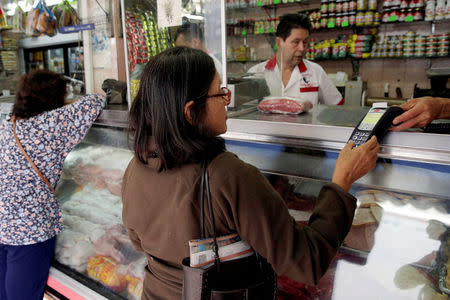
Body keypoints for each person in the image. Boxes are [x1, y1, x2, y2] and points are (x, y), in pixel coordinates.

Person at [121, 46, 379, 299]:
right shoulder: (227, 176)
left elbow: (139, 242)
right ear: (191, 112)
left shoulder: (136, 167)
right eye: (219, 93)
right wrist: (342, 181)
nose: (226, 100)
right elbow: (307, 261)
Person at [0, 70, 105, 299]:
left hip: (4, 224)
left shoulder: (9, 123)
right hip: (29, 230)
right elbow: (95, 101)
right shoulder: (51, 124)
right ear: (53, 98)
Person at [248, 14, 344, 107]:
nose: (302, 48)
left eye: (305, 42)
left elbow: (337, 107)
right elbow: (245, 114)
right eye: (296, 42)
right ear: (278, 43)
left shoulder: (316, 71)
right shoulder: (256, 73)